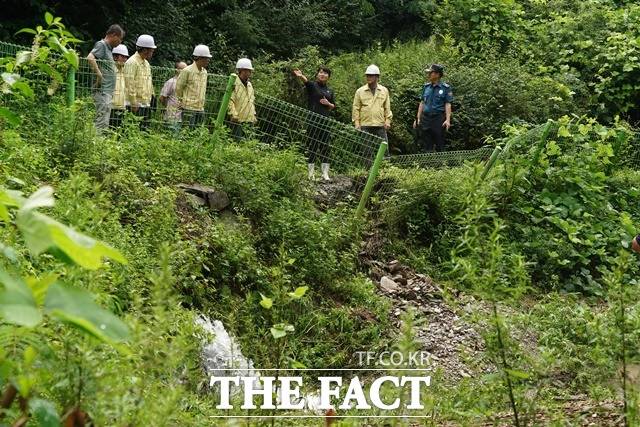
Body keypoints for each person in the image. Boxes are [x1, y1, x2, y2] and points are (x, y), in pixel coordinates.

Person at [293, 67, 336, 181]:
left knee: (325, 147)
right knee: (312, 146)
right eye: (321, 72)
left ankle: (325, 174)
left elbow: (333, 106)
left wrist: (328, 103)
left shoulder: (329, 91)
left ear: (328, 77)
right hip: (312, 121)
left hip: (325, 122)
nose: (322, 74)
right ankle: (311, 174)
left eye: (325, 73)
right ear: (317, 74)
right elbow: (306, 81)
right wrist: (301, 75)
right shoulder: (313, 86)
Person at [86, 24, 124, 133]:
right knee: (101, 121)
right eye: (120, 39)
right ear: (113, 35)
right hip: (102, 91)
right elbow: (90, 57)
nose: (120, 42)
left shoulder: (108, 48)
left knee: (104, 120)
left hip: (107, 92)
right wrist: (99, 74)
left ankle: (99, 143)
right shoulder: (102, 44)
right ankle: (96, 143)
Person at [413, 64, 453, 152]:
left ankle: (441, 165)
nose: (429, 75)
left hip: (438, 118)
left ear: (437, 74)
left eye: (431, 73)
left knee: (439, 142)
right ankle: (428, 164)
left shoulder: (445, 88)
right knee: (426, 143)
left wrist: (448, 120)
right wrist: (418, 118)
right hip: (426, 118)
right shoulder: (426, 87)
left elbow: (448, 104)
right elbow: (422, 102)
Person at [124, 34, 156, 130]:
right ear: (145, 50)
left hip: (145, 104)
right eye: (152, 50)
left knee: (144, 131)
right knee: (132, 131)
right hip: (135, 105)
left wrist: (153, 97)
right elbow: (129, 83)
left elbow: (149, 82)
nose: (152, 52)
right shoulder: (132, 62)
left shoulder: (146, 63)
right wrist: (133, 102)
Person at [176, 45, 211, 129]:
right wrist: (182, 100)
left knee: (198, 133)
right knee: (187, 132)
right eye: (206, 58)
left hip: (200, 108)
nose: (208, 61)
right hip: (189, 108)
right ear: (199, 58)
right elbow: (179, 87)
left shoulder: (205, 72)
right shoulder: (187, 71)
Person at [228, 58, 257, 139]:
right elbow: (230, 100)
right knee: (237, 143)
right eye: (248, 70)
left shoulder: (250, 85)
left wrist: (254, 115)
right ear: (242, 70)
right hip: (238, 120)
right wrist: (233, 114)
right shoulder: (234, 83)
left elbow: (252, 101)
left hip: (250, 120)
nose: (250, 72)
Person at [160, 61, 187, 131]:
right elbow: (162, 97)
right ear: (176, 70)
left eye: (186, 69)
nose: (185, 71)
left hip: (181, 117)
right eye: (182, 69)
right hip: (171, 116)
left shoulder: (186, 83)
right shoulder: (171, 82)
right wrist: (168, 107)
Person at [110, 44, 128, 129]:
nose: (125, 59)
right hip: (111, 108)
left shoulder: (125, 72)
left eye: (126, 57)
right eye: (123, 56)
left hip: (123, 108)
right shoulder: (109, 71)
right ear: (115, 57)